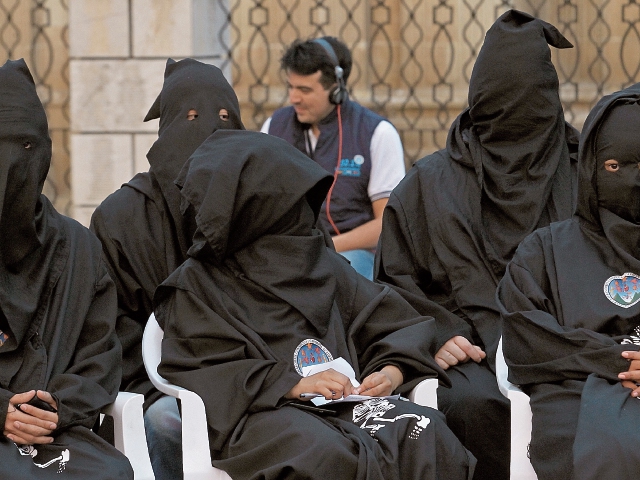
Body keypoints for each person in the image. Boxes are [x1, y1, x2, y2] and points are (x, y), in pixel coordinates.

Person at [154, 130, 476, 480]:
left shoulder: (317, 260)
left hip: (349, 407)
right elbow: (204, 370)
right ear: (255, 209)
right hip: (263, 415)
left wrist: (389, 372)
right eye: (288, 205)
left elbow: (394, 322)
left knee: (424, 430)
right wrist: (292, 384)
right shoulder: (197, 284)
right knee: (327, 456)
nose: (302, 217)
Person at [374, 10, 580, 480]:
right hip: (471, 350)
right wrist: (435, 331)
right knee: (471, 404)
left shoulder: (583, 173)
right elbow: (393, 284)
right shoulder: (429, 186)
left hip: (569, 345)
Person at [90, 58, 244, 480]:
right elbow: (110, 327)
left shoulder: (260, 205)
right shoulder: (120, 217)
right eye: (191, 118)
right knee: (165, 423)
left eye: (225, 117)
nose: (210, 130)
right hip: (160, 384)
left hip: (255, 379)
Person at [497, 83, 640, 480]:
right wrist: (617, 361)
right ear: (591, 166)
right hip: (573, 391)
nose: (633, 183)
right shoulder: (544, 250)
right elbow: (526, 336)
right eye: (615, 167)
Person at [0, 59, 132, 479]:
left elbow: (100, 354)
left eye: (23, 147)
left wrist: (56, 406)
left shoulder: (77, 247)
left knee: (111, 473)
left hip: (54, 430)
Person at [261, 36, 405, 280]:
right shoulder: (273, 127)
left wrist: (328, 247)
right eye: (291, 87)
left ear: (336, 90)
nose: (294, 98)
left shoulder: (377, 134)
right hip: (288, 254)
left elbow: (387, 223)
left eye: (305, 90)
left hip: (354, 255)